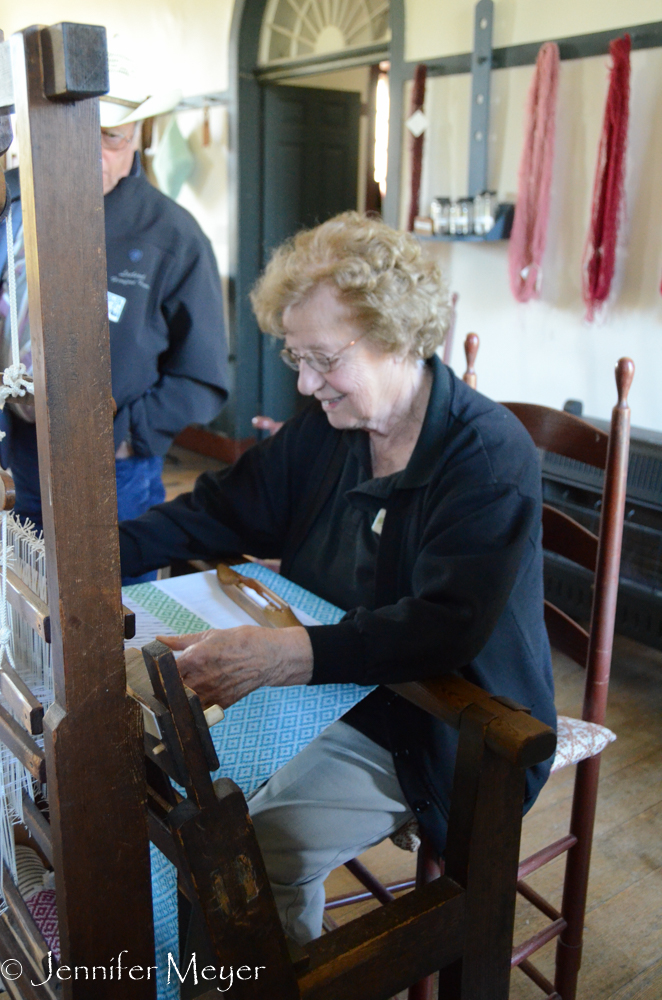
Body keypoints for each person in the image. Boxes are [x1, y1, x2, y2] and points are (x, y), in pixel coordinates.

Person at [118, 212, 556, 944]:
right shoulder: (331, 429)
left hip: (442, 724)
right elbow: (222, 510)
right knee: (160, 787)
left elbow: (441, 629)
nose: (305, 381)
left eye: (324, 358)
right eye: (296, 356)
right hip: (338, 685)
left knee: (247, 854)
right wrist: (93, 557)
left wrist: (286, 657)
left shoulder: (485, 459)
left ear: (399, 338)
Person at [0, 71, 228, 582]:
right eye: (76, 135)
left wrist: (126, 435)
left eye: (110, 136)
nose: (90, 153)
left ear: (139, 135)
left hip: (114, 470)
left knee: (109, 612)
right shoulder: (10, 203)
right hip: (16, 453)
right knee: (23, 605)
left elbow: (203, 376)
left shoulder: (173, 235)